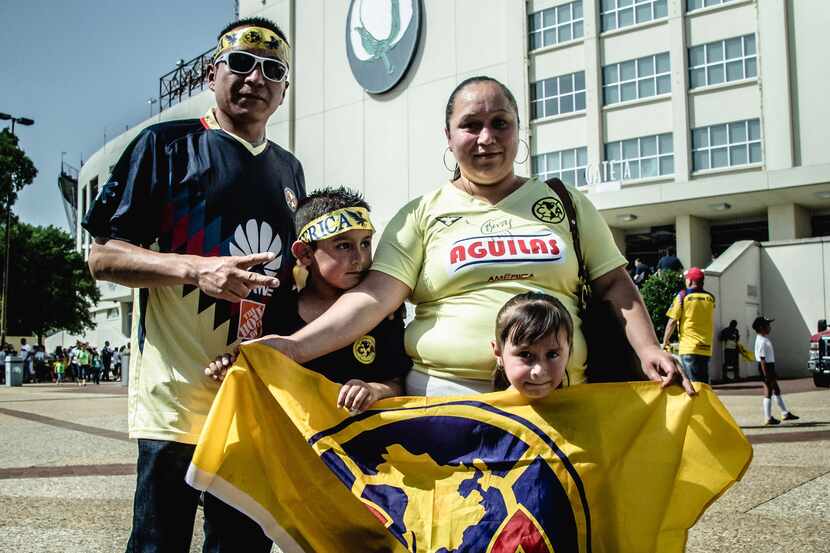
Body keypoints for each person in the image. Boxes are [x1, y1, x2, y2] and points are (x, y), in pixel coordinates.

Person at [249, 75, 692, 397]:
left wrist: (650, 347)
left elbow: (615, 283)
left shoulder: (565, 201)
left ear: (519, 130)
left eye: (500, 123)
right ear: (449, 136)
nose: (486, 138)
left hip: (560, 402)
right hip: (447, 407)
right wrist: (293, 347)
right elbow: (373, 299)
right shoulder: (420, 214)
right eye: (471, 125)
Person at [83, 16, 304, 553]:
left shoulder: (290, 170)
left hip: (250, 401)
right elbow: (103, 256)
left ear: (284, 91)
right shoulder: (165, 145)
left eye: (271, 69)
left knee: (242, 547)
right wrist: (195, 269)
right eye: (242, 63)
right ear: (213, 73)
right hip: (175, 400)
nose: (256, 77)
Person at [208, 187, 411, 413]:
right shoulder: (278, 309)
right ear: (305, 253)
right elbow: (264, 382)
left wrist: (374, 390)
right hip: (294, 444)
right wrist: (235, 370)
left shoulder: (381, 312)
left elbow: (398, 383)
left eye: (365, 243)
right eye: (343, 246)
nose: (359, 259)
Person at [491, 292, 573, 398]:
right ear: (498, 353)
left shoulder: (586, 409)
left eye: (552, 355)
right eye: (525, 355)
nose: (538, 371)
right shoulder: (481, 413)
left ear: (569, 352)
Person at [661, 267, 715, 384]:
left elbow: (672, 321)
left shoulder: (683, 296)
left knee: (691, 384)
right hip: (706, 347)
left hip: (689, 347)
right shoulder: (710, 298)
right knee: (703, 385)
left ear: (690, 281)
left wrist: (665, 340)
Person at [753, 316, 799, 425]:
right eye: (767, 325)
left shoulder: (763, 339)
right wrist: (766, 374)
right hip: (766, 367)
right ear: (761, 327)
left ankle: (785, 413)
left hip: (769, 366)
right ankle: (768, 418)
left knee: (776, 390)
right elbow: (762, 359)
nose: (770, 327)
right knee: (768, 391)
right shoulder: (762, 341)